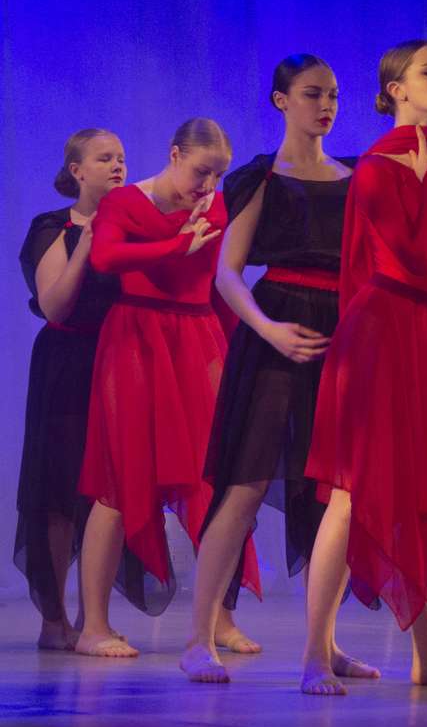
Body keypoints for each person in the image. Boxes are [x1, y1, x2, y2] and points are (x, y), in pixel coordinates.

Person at [302, 40, 427, 694]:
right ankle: (315, 654)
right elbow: (413, 258)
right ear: (395, 88)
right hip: (383, 334)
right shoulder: (376, 168)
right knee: (354, 491)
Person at [181, 55, 374, 683]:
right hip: (276, 328)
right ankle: (199, 639)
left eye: (334, 95)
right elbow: (228, 272)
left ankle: (325, 643)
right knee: (244, 485)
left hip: (341, 334)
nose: (326, 105)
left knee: (337, 493)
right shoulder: (260, 177)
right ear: (280, 100)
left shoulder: (356, 178)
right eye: (313, 93)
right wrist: (268, 330)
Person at [77, 118, 259, 658]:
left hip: (199, 341)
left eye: (218, 175)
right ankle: (93, 627)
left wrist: (241, 356)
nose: (209, 185)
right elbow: (106, 257)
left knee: (215, 481)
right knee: (120, 481)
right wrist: (174, 245)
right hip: (135, 341)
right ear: (175, 154)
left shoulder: (217, 207)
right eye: (202, 171)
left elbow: (220, 284)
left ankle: (220, 619)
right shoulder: (124, 203)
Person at [14, 129, 126, 650]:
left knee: (107, 491)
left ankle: (92, 618)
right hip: (67, 363)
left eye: (121, 158)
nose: (117, 165)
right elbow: (55, 305)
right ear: (77, 171)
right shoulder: (52, 227)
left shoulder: (134, 226)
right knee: (58, 491)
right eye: (104, 158)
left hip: (118, 361)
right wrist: (87, 243)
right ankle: (54, 619)